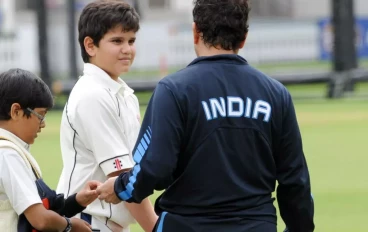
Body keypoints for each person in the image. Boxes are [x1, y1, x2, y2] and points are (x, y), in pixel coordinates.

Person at [96, 0, 315, 231]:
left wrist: (120, 187)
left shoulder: (173, 90)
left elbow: (154, 168)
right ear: (243, 38)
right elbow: (295, 181)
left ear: (195, 32)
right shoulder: (276, 94)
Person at [56, 1, 158, 232]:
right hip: (89, 221)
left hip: (108, 223)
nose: (127, 49)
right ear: (90, 45)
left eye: (131, 40)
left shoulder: (121, 93)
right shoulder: (93, 95)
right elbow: (122, 176)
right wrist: (155, 228)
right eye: (117, 41)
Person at [0, 68, 99, 232]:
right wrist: (70, 226)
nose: (43, 124)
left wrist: (78, 201)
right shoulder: (7, 155)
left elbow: (43, 207)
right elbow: (40, 220)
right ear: (16, 111)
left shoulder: (13, 150)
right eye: (40, 115)